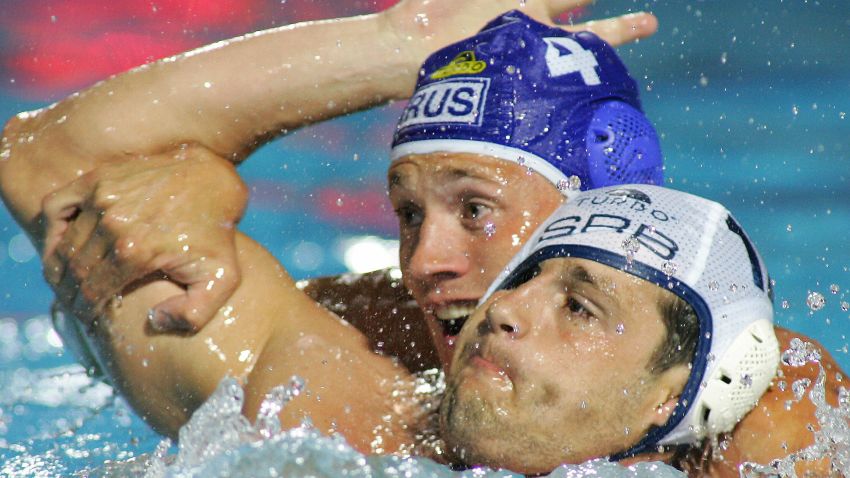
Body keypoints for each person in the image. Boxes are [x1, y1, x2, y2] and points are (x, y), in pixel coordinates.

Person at [0, 1, 845, 475]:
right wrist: (399, 41)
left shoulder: (757, 402)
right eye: (407, 214)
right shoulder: (337, 385)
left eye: (476, 210)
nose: (421, 264)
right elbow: (42, 164)